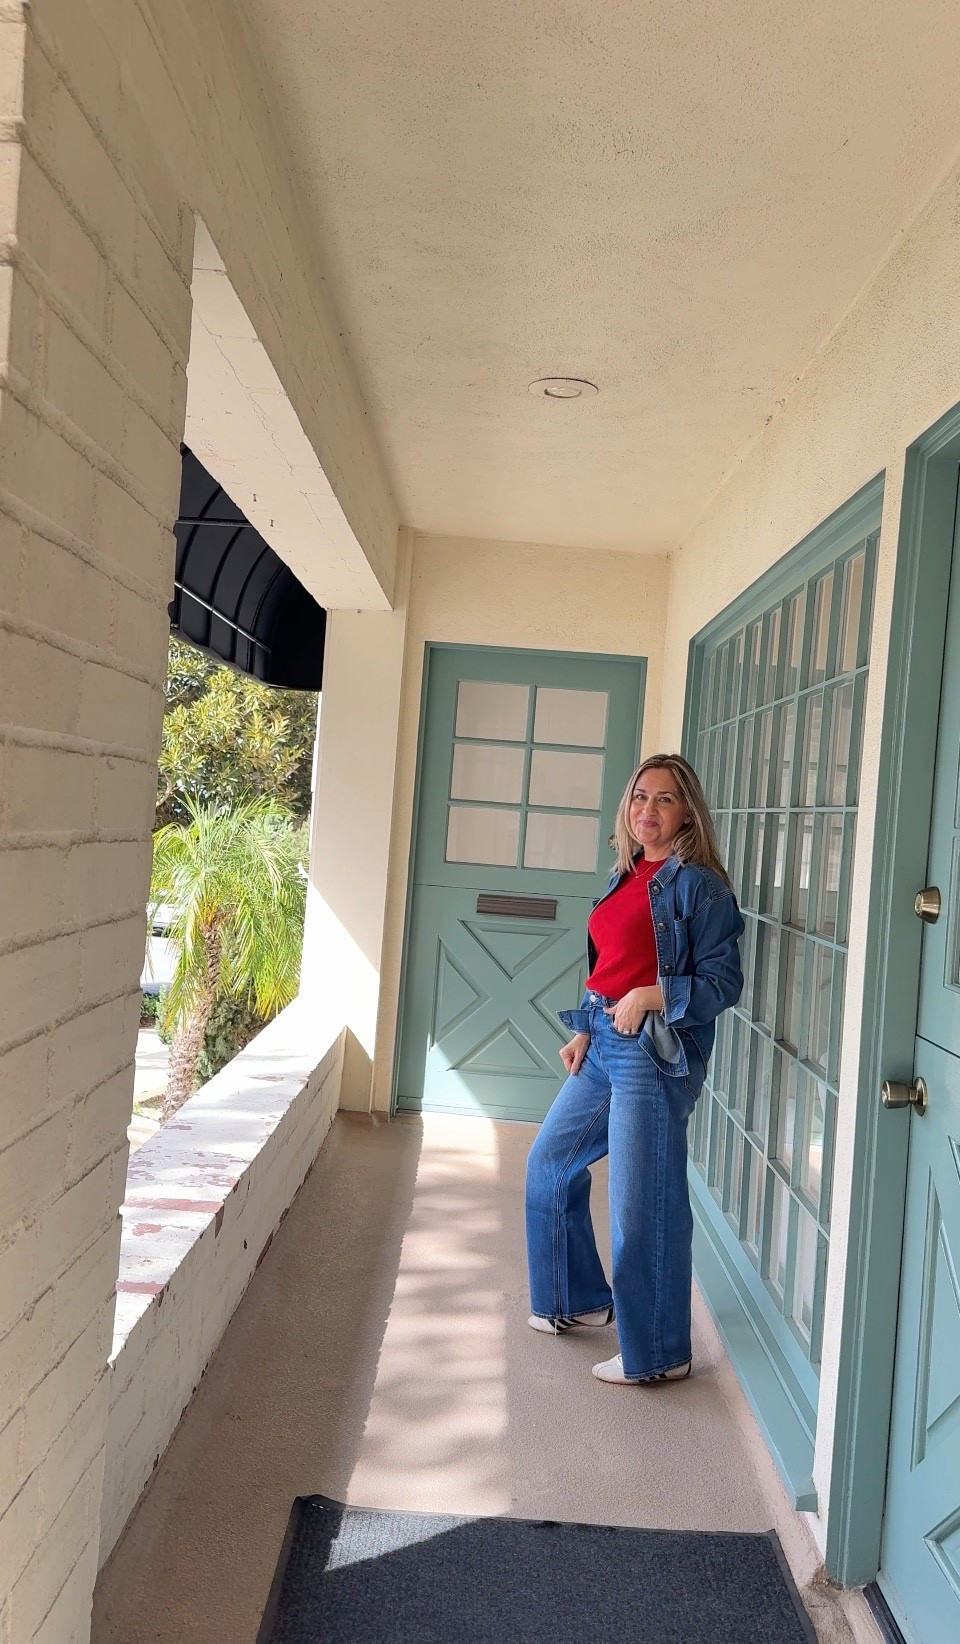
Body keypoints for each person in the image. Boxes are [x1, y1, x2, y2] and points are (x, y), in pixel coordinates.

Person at [525, 753, 744, 1385]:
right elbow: (611, 963)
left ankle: (659, 1353)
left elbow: (722, 982)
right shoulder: (628, 873)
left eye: (665, 800)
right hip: (604, 1041)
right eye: (639, 797)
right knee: (549, 1163)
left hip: (652, 1054)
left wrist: (651, 996)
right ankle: (579, 1299)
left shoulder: (699, 885)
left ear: (687, 813)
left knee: (643, 1206)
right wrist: (586, 1030)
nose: (648, 811)